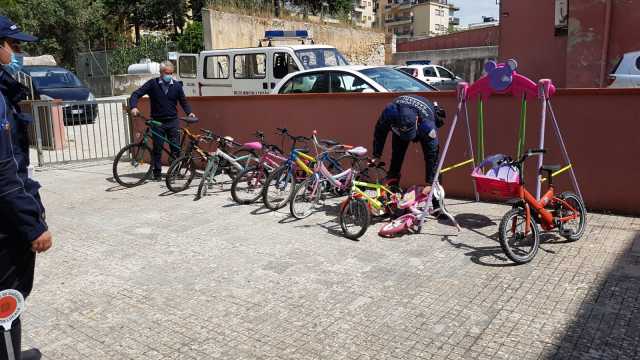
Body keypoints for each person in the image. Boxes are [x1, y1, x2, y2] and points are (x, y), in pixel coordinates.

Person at [0, 15, 53, 360]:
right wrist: (33, 224)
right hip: (5, 226)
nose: (17, 53)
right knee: (7, 303)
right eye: (13, 45)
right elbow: (6, 173)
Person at [129, 61, 196, 181]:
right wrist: (133, 106)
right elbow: (136, 94)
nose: (169, 75)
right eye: (167, 73)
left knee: (175, 148)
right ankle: (157, 173)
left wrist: (189, 112)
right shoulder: (152, 84)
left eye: (171, 73)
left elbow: (183, 101)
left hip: (172, 121)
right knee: (157, 149)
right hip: (157, 122)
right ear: (160, 73)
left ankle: (175, 171)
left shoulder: (176, 86)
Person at [371, 94, 445, 197]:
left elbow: (433, 155)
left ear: (416, 121)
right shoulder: (390, 112)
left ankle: (437, 205)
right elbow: (380, 131)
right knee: (396, 157)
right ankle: (391, 196)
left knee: (434, 167)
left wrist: (431, 182)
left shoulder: (428, 125)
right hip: (399, 129)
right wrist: (376, 155)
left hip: (422, 124)